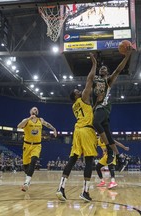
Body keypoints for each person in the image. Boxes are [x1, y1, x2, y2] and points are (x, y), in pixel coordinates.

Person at [56, 52, 97, 202]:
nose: (79, 90)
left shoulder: (74, 106)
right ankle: (85, 192)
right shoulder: (84, 99)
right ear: (76, 96)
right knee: (89, 161)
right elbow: (90, 80)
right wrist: (94, 64)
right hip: (86, 131)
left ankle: (61, 188)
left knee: (72, 159)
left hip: (77, 131)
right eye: (77, 91)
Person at [92, 46, 132, 165]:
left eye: (105, 68)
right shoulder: (95, 79)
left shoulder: (108, 80)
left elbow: (118, 70)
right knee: (108, 135)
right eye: (101, 68)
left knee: (95, 123)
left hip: (103, 107)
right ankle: (119, 157)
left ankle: (110, 151)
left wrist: (127, 56)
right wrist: (94, 62)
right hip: (97, 108)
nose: (102, 69)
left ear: (107, 72)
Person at [18, 107, 57, 192]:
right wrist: (28, 118)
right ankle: (28, 180)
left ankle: (26, 183)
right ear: (30, 111)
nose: (35, 110)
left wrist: (54, 129)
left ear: (37, 112)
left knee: (33, 161)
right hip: (27, 145)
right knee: (25, 167)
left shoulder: (40, 120)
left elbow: (47, 124)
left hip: (37, 145)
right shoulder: (26, 120)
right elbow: (19, 126)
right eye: (33, 109)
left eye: (36, 109)